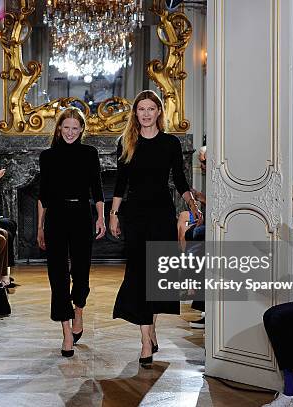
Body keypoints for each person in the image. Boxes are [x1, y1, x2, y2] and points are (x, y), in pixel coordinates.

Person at [108, 90, 198, 367]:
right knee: (138, 274)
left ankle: (151, 327)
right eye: (141, 109)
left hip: (161, 213)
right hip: (135, 215)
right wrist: (114, 214)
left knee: (157, 275)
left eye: (151, 109)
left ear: (159, 112)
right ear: (135, 113)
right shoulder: (127, 142)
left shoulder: (171, 143)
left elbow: (180, 180)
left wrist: (192, 203)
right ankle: (145, 340)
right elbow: (121, 184)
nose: (146, 114)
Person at [37, 107, 105, 357]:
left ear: (82, 130)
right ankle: (66, 331)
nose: (70, 132)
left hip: (81, 216)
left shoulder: (89, 153)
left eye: (75, 128)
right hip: (55, 216)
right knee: (57, 275)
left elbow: (97, 190)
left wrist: (101, 217)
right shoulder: (47, 156)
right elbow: (43, 196)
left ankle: (79, 309)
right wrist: (39, 227)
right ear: (58, 128)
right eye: (66, 127)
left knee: (80, 270)